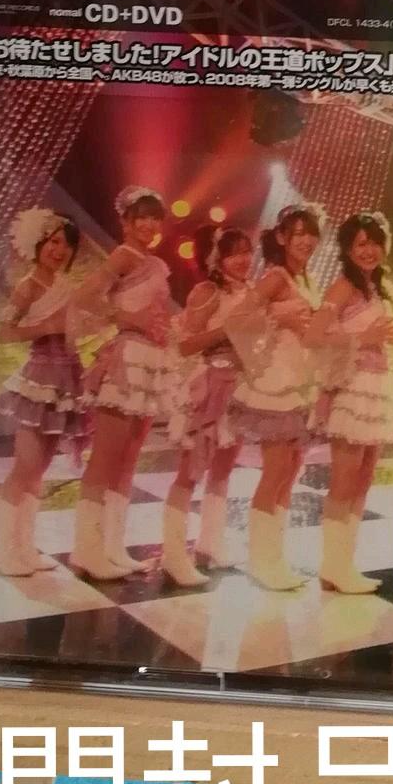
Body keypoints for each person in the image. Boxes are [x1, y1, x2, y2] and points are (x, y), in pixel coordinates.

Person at [69, 186, 177, 580]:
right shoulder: (124, 255)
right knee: (106, 457)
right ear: (126, 222)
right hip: (126, 359)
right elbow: (84, 297)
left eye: (154, 218)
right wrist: (127, 319)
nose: (148, 225)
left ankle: (113, 547)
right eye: (141, 217)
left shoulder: (153, 262)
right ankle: (87, 549)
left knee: (128, 459)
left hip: (149, 360)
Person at [228, 204, 323, 591]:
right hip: (276, 382)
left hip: (300, 380)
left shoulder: (306, 277)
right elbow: (236, 320)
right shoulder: (275, 276)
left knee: (290, 470)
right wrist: (278, 319)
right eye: (297, 233)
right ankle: (260, 560)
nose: (305, 240)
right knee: (276, 470)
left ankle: (274, 558)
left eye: (310, 233)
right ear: (282, 237)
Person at [309, 213, 393, 594]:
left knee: (363, 480)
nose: (369, 250)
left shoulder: (375, 288)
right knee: (345, 479)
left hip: (377, 385)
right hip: (351, 388)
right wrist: (364, 337)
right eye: (361, 243)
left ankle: (343, 563)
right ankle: (333, 566)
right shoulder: (343, 286)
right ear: (348, 249)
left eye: (375, 242)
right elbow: (315, 336)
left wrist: (390, 336)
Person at [0, 209, 87, 576]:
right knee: (26, 465)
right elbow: (4, 333)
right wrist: (46, 326)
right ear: (38, 244)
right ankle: (2, 548)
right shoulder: (28, 286)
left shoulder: (66, 286)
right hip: (38, 380)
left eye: (67, 244)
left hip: (65, 378)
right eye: (54, 242)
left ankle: (25, 547)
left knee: (40, 469)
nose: (60, 250)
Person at [163, 224, 255, 586]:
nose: (243, 259)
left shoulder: (252, 291)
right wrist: (227, 330)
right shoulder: (207, 291)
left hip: (240, 387)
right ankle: (174, 555)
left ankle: (210, 544)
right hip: (210, 385)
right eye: (234, 253)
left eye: (247, 251)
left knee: (223, 469)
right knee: (191, 470)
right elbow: (186, 344)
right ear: (216, 257)